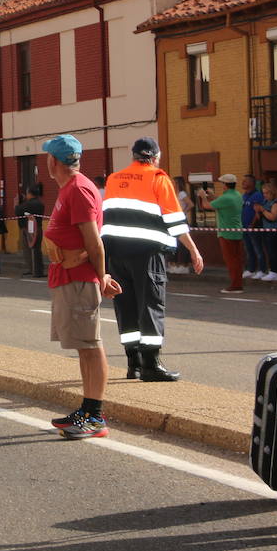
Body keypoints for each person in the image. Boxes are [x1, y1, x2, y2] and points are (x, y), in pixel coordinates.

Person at [101, 138, 204, 383]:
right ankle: (151, 365)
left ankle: (133, 364)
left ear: (134, 156)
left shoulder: (114, 179)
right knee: (150, 306)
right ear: (155, 157)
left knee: (125, 307)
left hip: (116, 254)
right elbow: (174, 221)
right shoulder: (158, 177)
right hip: (147, 254)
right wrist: (194, 250)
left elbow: (108, 217)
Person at [40, 134, 123, 441]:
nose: (46, 161)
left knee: (90, 344)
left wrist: (101, 276)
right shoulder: (69, 189)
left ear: (55, 161)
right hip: (68, 276)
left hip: (79, 279)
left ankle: (95, 415)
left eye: (48, 156)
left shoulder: (79, 190)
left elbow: (93, 239)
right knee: (83, 346)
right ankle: (87, 410)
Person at [198, 174, 244, 293]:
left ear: (225, 185)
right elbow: (222, 203)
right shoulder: (237, 195)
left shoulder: (226, 198)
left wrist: (203, 197)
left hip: (226, 232)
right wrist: (213, 196)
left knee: (231, 260)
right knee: (237, 259)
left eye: (222, 183)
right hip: (237, 230)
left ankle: (235, 285)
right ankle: (238, 283)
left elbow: (206, 206)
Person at [14, 184, 45, 278]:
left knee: (29, 250)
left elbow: (17, 211)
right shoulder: (40, 204)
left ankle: (33, 270)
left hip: (28, 229)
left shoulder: (27, 204)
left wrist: (16, 203)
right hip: (38, 227)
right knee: (36, 250)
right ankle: (37, 270)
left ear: (30, 194)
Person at [256, 181, 277, 282]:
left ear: (272, 192)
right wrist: (258, 210)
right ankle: (271, 270)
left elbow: (273, 217)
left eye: (267, 193)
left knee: (274, 252)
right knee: (269, 251)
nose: (265, 195)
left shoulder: (276, 203)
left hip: (274, 230)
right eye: (263, 193)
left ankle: (275, 272)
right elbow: (261, 217)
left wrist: (263, 210)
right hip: (266, 229)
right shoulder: (265, 202)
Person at [241, 174, 266, 280]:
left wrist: (252, 224)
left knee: (258, 249)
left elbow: (257, 212)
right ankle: (251, 269)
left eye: (245, 181)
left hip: (254, 228)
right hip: (244, 227)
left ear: (252, 183)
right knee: (248, 249)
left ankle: (262, 270)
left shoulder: (258, 195)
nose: (243, 183)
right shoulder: (244, 196)